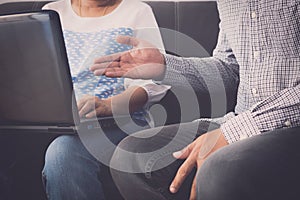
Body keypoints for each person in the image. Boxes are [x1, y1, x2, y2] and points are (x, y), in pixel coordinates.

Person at [91, 0, 300, 199]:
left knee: (218, 169)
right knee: (132, 158)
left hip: (290, 126)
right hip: (238, 119)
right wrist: (163, 66)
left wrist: (235, 131)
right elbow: (230, 69)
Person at [42, 0, 169, 199]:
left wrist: (109, 106)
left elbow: (153, 83)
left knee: (63, 153)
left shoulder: (137, 12)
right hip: (60, 120)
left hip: (122, 121)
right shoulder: (51, 12)